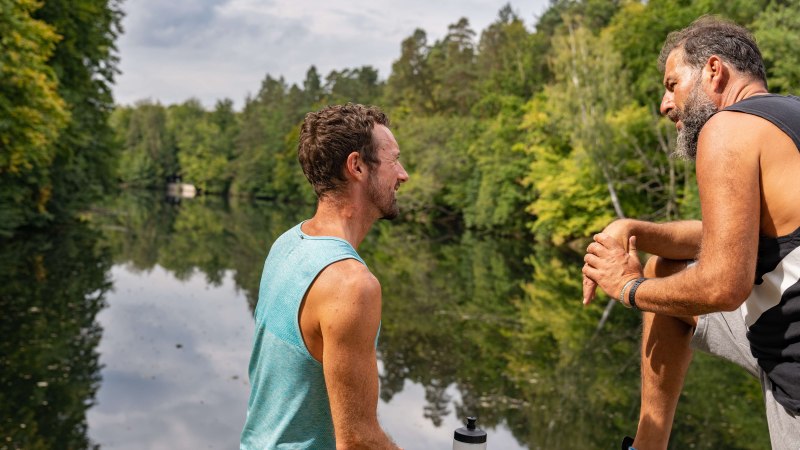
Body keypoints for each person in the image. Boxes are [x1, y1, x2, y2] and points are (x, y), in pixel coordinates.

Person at [581, 17, 800, 450]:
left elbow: (723, 284)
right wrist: (635, 230)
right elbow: (734, 235)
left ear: (714, 71)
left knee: (660, 282)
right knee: (666, 268)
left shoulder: (728, 128)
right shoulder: (785, 119)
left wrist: (628, 288)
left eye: (672, 83)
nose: (665, 104)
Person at [240, 103, 408, 449]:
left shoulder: (288, 243)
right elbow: (357, 440)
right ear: (357, 166)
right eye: (394, 161)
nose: (403, 174)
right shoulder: (351, 285)